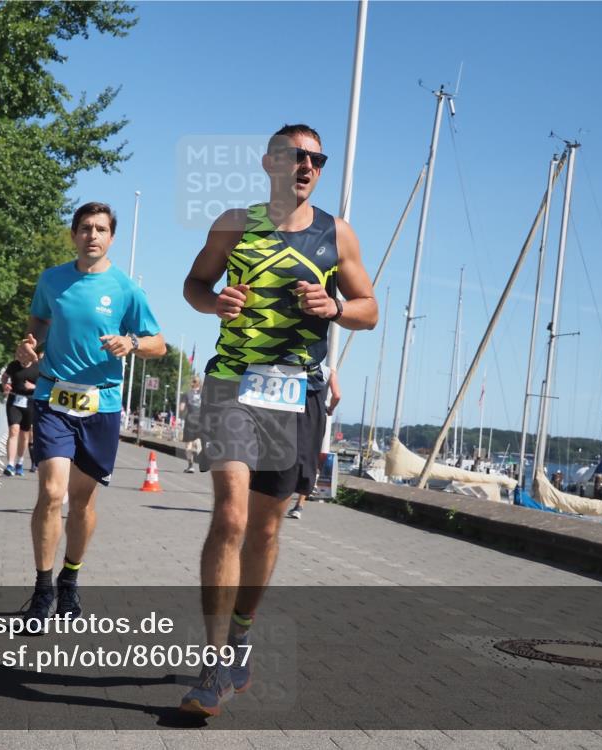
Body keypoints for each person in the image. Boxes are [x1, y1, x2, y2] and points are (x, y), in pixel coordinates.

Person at [181, 124, 378, 715]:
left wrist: (337, 307)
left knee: (266, 528)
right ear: (270, 161)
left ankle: (241, 631)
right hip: (233, 383)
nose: (308, 166)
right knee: (231, 516)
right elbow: (194, 283)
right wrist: (213, 301)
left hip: (296, 394)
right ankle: (213, 664)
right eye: (297, 156)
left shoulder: (336, 234)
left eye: (317, 159)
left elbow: (370, 309)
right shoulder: (233, 224)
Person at [22, 201, 165, 626]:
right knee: (51, 492)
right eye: (85, 228)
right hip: (53, 398)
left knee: (82, 502)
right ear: (74, 234)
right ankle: (42, 589)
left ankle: (70, 578)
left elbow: (158, 343)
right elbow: (37, 325)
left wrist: (132, 344)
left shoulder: (126, 288)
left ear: (111, 237)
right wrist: (29, 346)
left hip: (100, 404)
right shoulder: (53, 280)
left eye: (101, 229)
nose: (93, 235)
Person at [286, 368, 341, 519]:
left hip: (295, 413)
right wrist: (330, 409)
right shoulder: (329, 372)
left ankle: (281, 497)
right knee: (311, 458)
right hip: (317, 417)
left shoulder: (298, 366)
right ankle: (299, 506)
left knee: (290, 454)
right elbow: (337, 395)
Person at [1, 344, 41, 476]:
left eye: (25, 353)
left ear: (31, 354)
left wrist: (34, 386)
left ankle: (20, 461)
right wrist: (5, 384)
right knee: (13, 430)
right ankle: (10, 464)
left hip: (30, 402)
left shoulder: (38, 367)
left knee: (25, 435)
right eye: (20, 353)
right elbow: (5, 376)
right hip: (14, 401)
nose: (21, 356)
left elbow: (46, 385)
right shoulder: (13, 365)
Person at [179, 375, 204, 472]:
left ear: (191, 383)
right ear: (199, 383)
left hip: (190, 419)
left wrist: (182, 411)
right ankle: (199, 446)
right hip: (201, 420)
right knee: (198, 439)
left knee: (188, 444)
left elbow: (181, 408)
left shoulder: (186, 394)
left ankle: (190, 466)